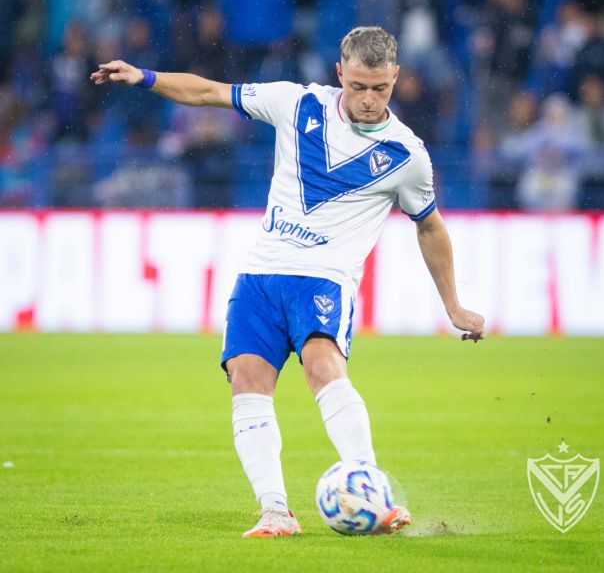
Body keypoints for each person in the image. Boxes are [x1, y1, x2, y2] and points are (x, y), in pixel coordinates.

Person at [90, 26, 485, 538]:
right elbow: (209, 92)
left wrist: (453, 304)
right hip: (260, 275)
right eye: (358, 86)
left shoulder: (407, 155)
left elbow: (429, 227)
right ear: (339, 73)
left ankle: (372, 490)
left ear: (396, 78)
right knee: (246, 381)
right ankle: (275, 511)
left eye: (380, 88)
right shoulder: (296, 103)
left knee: (322, 363)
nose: (369, 100)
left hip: (322, 279)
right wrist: (145, 77)